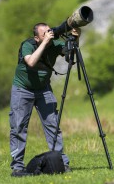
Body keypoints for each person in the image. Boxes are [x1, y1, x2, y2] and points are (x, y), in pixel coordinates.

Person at [9, 22, 80, 177]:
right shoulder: (27, 45)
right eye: (44, 34)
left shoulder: (54, 43)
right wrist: (45, 43)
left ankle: (61, 162)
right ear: (36, 38)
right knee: (18, 127)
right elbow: (31, 62)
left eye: (49, 32)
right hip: (22, 89)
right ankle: (17, 167)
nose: (49, 35)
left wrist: (75, 40)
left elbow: (70, 57)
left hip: (43, 89)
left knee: (53, 125)